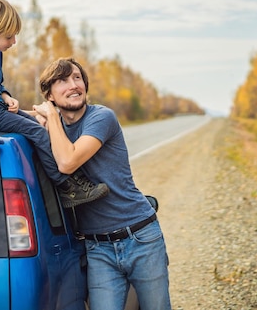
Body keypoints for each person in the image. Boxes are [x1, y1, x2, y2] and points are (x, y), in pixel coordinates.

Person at [32, 57, 172, 310]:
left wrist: (50, 118)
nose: (73, 85)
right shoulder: (54, 127)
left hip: (140, 237)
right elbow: (11, 119)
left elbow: (67, 162)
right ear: (49, 95)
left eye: (77, 78)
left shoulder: (101, 117)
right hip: (98, 249)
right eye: (62, 81)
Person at [0, 0, 108, 208]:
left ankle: (72, 178)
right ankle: (66, 188)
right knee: (37, 133)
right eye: (9, 37)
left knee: (42, 125)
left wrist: (6, 97)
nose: (13, 42)